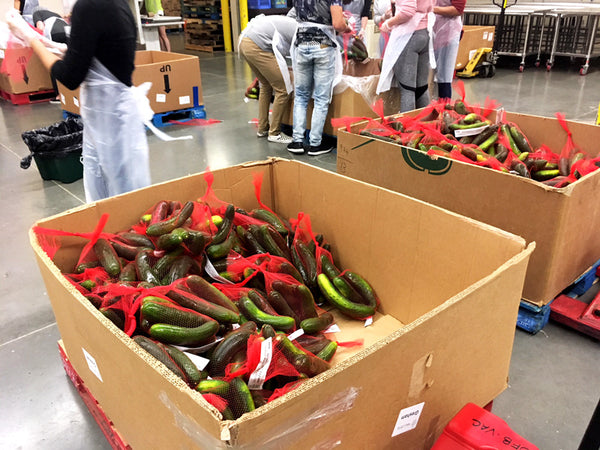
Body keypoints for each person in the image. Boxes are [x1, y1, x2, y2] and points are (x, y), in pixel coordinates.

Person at [7, 1, 152, 203]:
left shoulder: (90, 6)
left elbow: (69, 76)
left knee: (121, 202)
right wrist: (52, 45)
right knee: (112, 193)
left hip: (108, 119)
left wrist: (32, 40)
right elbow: (95, 54)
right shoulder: (116, 4)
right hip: (110, 117)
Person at [287, 0, 352, 156]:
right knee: (321, 98)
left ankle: (297, 141)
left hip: (301, 41)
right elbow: (337, 23)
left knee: (301, 96)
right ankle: (315, 144)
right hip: (323, 44)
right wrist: (346, 27)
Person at [239, 14, 297, 144]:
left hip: (245, 41)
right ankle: (275, 133)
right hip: (257, 45)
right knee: (283, 89)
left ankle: (263, 128)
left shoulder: (289, 21)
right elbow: (303, 54)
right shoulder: (303, 31)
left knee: (265, 85)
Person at [377, 0, 434, 112]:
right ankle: (426, 124)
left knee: (408, 89)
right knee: (421, 88)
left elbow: (407, 11)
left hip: (408, 36)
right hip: (424, 33)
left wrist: (389, 23)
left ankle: (409, 127)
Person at [432, 0, 465, 100]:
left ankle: (444, 108)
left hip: (448, 32)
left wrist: (431, 9)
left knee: (444, 76)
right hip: (433, 31)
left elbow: (458, 9)